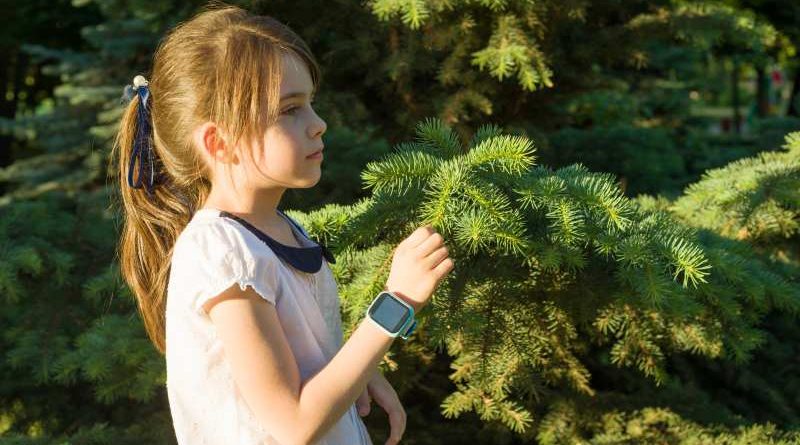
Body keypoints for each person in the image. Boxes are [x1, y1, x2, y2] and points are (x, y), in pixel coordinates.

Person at [110, 2, 455, 445]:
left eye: (310, 103)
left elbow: (296, 370)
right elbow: (293, 424)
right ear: (220, 142)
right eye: (289, 110)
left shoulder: (282, 229)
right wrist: (397, 303)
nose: (318, 124)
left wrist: (353, 369)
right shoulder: (222, 251)